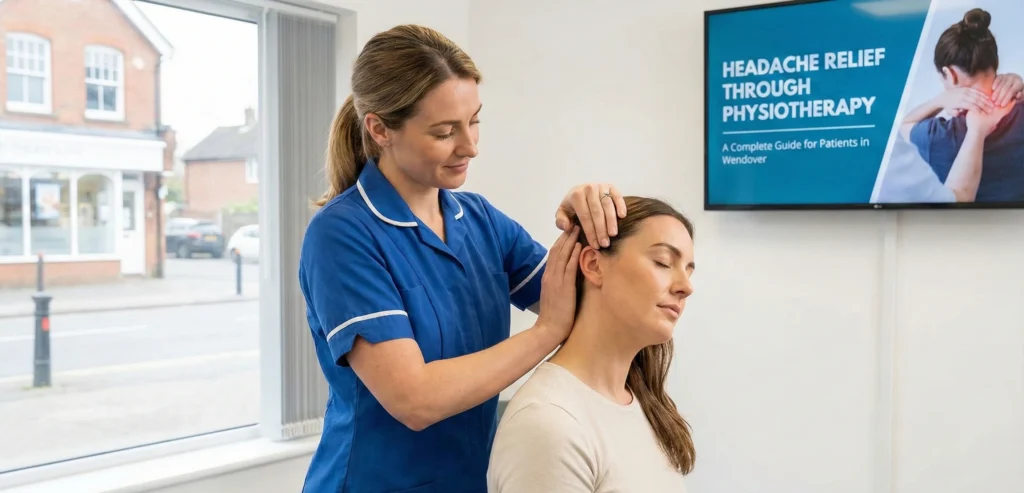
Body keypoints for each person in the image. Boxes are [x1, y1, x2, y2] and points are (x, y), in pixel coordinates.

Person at [297, 24, 627, 493]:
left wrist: (587, 221)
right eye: (444, 131)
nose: (470, 146)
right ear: (380, 128)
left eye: (474, 121)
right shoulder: (342, 234)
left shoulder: (480, 220)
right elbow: (415, 399)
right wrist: (545, 333)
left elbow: (587, 300)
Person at [487, 196, 697, 493]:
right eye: (664, 262)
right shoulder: (549, 423)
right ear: (594, 264)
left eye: (689, 270)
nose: (686, 286)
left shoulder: (643, 403)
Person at [898, 8, 1024, 202]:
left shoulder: (937, 137)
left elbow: (903, 126)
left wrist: (938, 101)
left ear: (950, 75)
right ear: (996, 62)